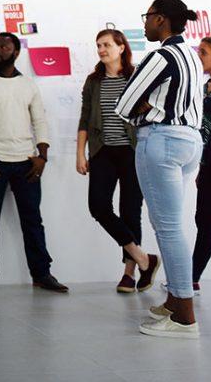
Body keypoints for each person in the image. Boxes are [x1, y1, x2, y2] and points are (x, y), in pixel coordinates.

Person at [116, 0, 203, 339]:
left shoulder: (161, 55)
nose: (144, 23)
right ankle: (173, 301)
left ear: (162, 20)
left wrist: (145, 108)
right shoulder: (193, 56)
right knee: (173, 226)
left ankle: (184, 316)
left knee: (168, 229)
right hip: (189, 142)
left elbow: (124, 105)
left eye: (148, 17)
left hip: (161, 140)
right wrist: (151, 103)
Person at [0, 32, 69, 294]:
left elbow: (40, 121)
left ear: (16, 52)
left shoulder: (28, 85)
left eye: (4, 46)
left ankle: (42, 274)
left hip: (26, 163)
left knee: (33, 220)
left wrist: (42, 156)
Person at [76, 29, 159, 293]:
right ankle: (144, 258)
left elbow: (151, 111)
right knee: (98, 206)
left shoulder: (137, 77)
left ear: (121, 47)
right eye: (98, 45)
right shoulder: (93, 81)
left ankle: (129, 274)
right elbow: (84, 118)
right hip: (102, 151)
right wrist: (81, 153)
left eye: (107, 44)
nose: (101, 49)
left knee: (130, 210)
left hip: (133, 152)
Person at [190, 36, 211, 295]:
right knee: (205, 220)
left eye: (204, 52)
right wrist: (200, 167)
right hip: (209, 166)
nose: (199, 56)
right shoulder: (202, 88)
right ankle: (192, 278)